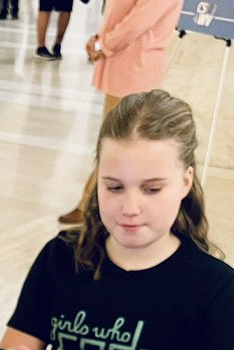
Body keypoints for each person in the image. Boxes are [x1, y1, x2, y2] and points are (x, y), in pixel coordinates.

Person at [3, 90, 234, 350]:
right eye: (114, 187)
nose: (130, 208)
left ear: (185, 181)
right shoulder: (61, 256)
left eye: (152, 189)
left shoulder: (213, 286)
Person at [57, 0, 180, 223]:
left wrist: (103, 44)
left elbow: (137, 21)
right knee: (116, 142)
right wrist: (100, 40)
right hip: (123, 63)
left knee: (118, 143)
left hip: (135, 67)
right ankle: (95, 204)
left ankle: (91, 204)